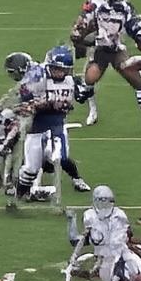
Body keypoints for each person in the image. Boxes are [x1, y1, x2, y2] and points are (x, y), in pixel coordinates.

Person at [71, 0, 141, 129]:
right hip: (100, 49)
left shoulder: (126, 7)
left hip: (117, 49)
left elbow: (132, 25)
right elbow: (83, 20)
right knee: (90, 79)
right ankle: (93, 111)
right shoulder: (95, 3)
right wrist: (80, 32)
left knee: (138, 83)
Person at [14, 46, 90, 199]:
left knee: (60, 157)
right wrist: (41, 104)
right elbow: (24, 103)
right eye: (57, 69)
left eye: (64, 69)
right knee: (31, 168)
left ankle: (76, 178)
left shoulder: (70, 81)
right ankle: (19, 194)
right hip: (36, 127)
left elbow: (80, 97)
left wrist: (83, 92)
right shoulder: (38, 79)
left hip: (56, 124)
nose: (61, 73)